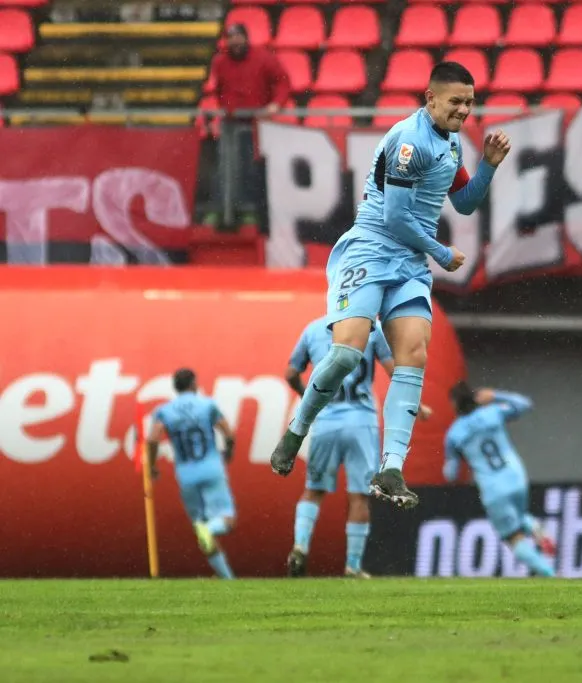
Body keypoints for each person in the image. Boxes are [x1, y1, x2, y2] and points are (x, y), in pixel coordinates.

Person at [269, 61, 511, 510]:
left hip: (409, 262)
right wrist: (440, 253)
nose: (463, 110)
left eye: (470, 103)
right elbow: (395, 217)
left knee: (414, 354)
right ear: (430, 98)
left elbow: (465, 203)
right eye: (456, 102)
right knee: (345, 354)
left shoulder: (450, 142)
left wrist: (490, 168)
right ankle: (297, 430)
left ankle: (391, 468)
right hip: (370, 250)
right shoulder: (409, 142)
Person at [284, 315, 431, 578]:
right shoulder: (371, 329)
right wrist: (417, 407)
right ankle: (352, 565)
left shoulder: (313, 329)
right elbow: (395, 372)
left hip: (326, 420)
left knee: (313, 490)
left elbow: (291, 373)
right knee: (360, 496)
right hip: (362, 422)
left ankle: (300, 546)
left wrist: (308, 397)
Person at [443, 383, 556, 577]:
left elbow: (451, 475)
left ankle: (550, 574)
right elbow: (525, 404)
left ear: (454, 404)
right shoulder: (493, 412)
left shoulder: (454, 434)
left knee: (513, 536)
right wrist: (495, 395)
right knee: (520, 518)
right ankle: (537, 529)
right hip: (516, 477)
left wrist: (455, 459)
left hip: (493, 488)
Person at [147, 369, 238, 579]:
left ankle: (227, 580)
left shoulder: (164, 411)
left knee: (200, 528)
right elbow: (229, 433)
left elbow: (153, 439)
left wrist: (152, 466)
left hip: (186, 474)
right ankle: (212, 531)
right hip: (211, 467)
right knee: (226, 520)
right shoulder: (207, 405)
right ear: (194, 384)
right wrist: (229, 451)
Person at [206, 23, 289, 229]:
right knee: (227, 167)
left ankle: (253, 212)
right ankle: (226, 211)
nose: (235, 42)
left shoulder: (263, 58)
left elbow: (282, 81)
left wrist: (275, 104)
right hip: (231, 124)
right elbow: (219, 90)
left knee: (253, 168)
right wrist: (225, 107)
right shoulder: (220, 62)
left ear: (246, 38)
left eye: (238, 37)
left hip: (257, 124)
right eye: (231, 38)